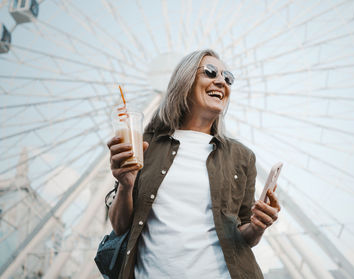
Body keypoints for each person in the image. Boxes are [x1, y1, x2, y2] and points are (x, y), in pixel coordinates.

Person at [106, 49, 281, 279]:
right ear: (184, 82)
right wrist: (126, 185)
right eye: (210, 72)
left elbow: (246, 236)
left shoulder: (241, 156)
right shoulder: (145, 145)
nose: (221, 81)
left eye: (227, 77)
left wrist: (258, 226)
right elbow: (120, 226)